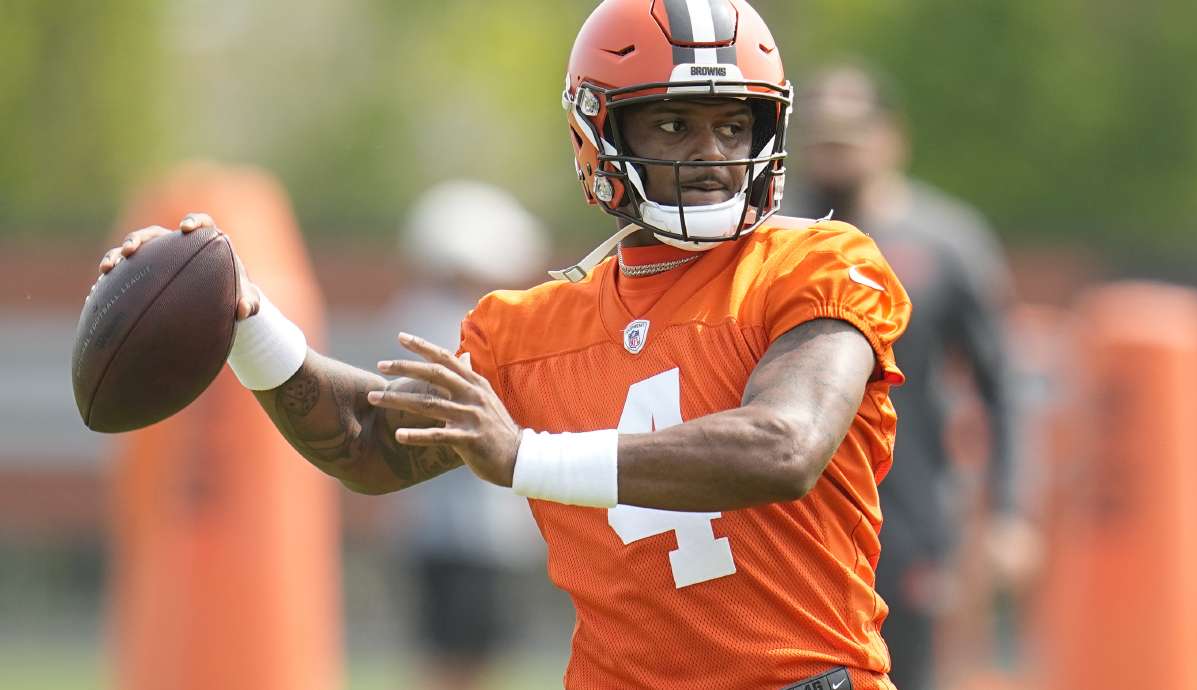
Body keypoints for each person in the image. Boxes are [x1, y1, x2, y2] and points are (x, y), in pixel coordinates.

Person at [100, 2, 912, 688]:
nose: (710, 155)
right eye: (673, 123)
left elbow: (784, 446)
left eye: (734, 124)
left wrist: (524, 456)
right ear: (601, 132)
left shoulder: (821, 261)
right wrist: (245, 320)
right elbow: (368, 445)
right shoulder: (529, 326)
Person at [789, 62, 1028, 690]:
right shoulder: (773, 242)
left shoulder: (945, 243)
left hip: (909, 516)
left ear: (889, 136)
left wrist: (1008, 512)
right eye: (820, 134)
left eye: (848, 133)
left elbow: (999, 385)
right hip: (788, 513)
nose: (833, 149)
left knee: (901, 672)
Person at [385, 180, 550, 690]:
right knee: (459, 658)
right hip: (466, 529)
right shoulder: (449, 324)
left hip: (449, 527)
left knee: (463, 654)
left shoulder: (417, 313)